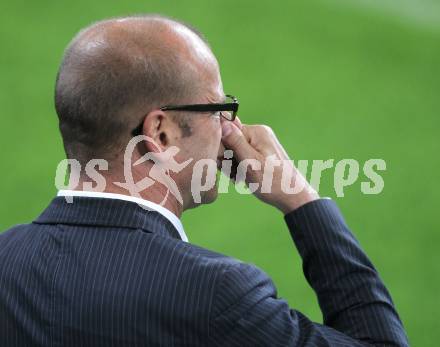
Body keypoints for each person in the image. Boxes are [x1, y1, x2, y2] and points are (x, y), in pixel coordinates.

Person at [0, 15, 409, 346]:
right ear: (160, 134)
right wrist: (301, 200)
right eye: (218, 107)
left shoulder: (6, 259)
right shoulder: (215, 294)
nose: (231, 127)